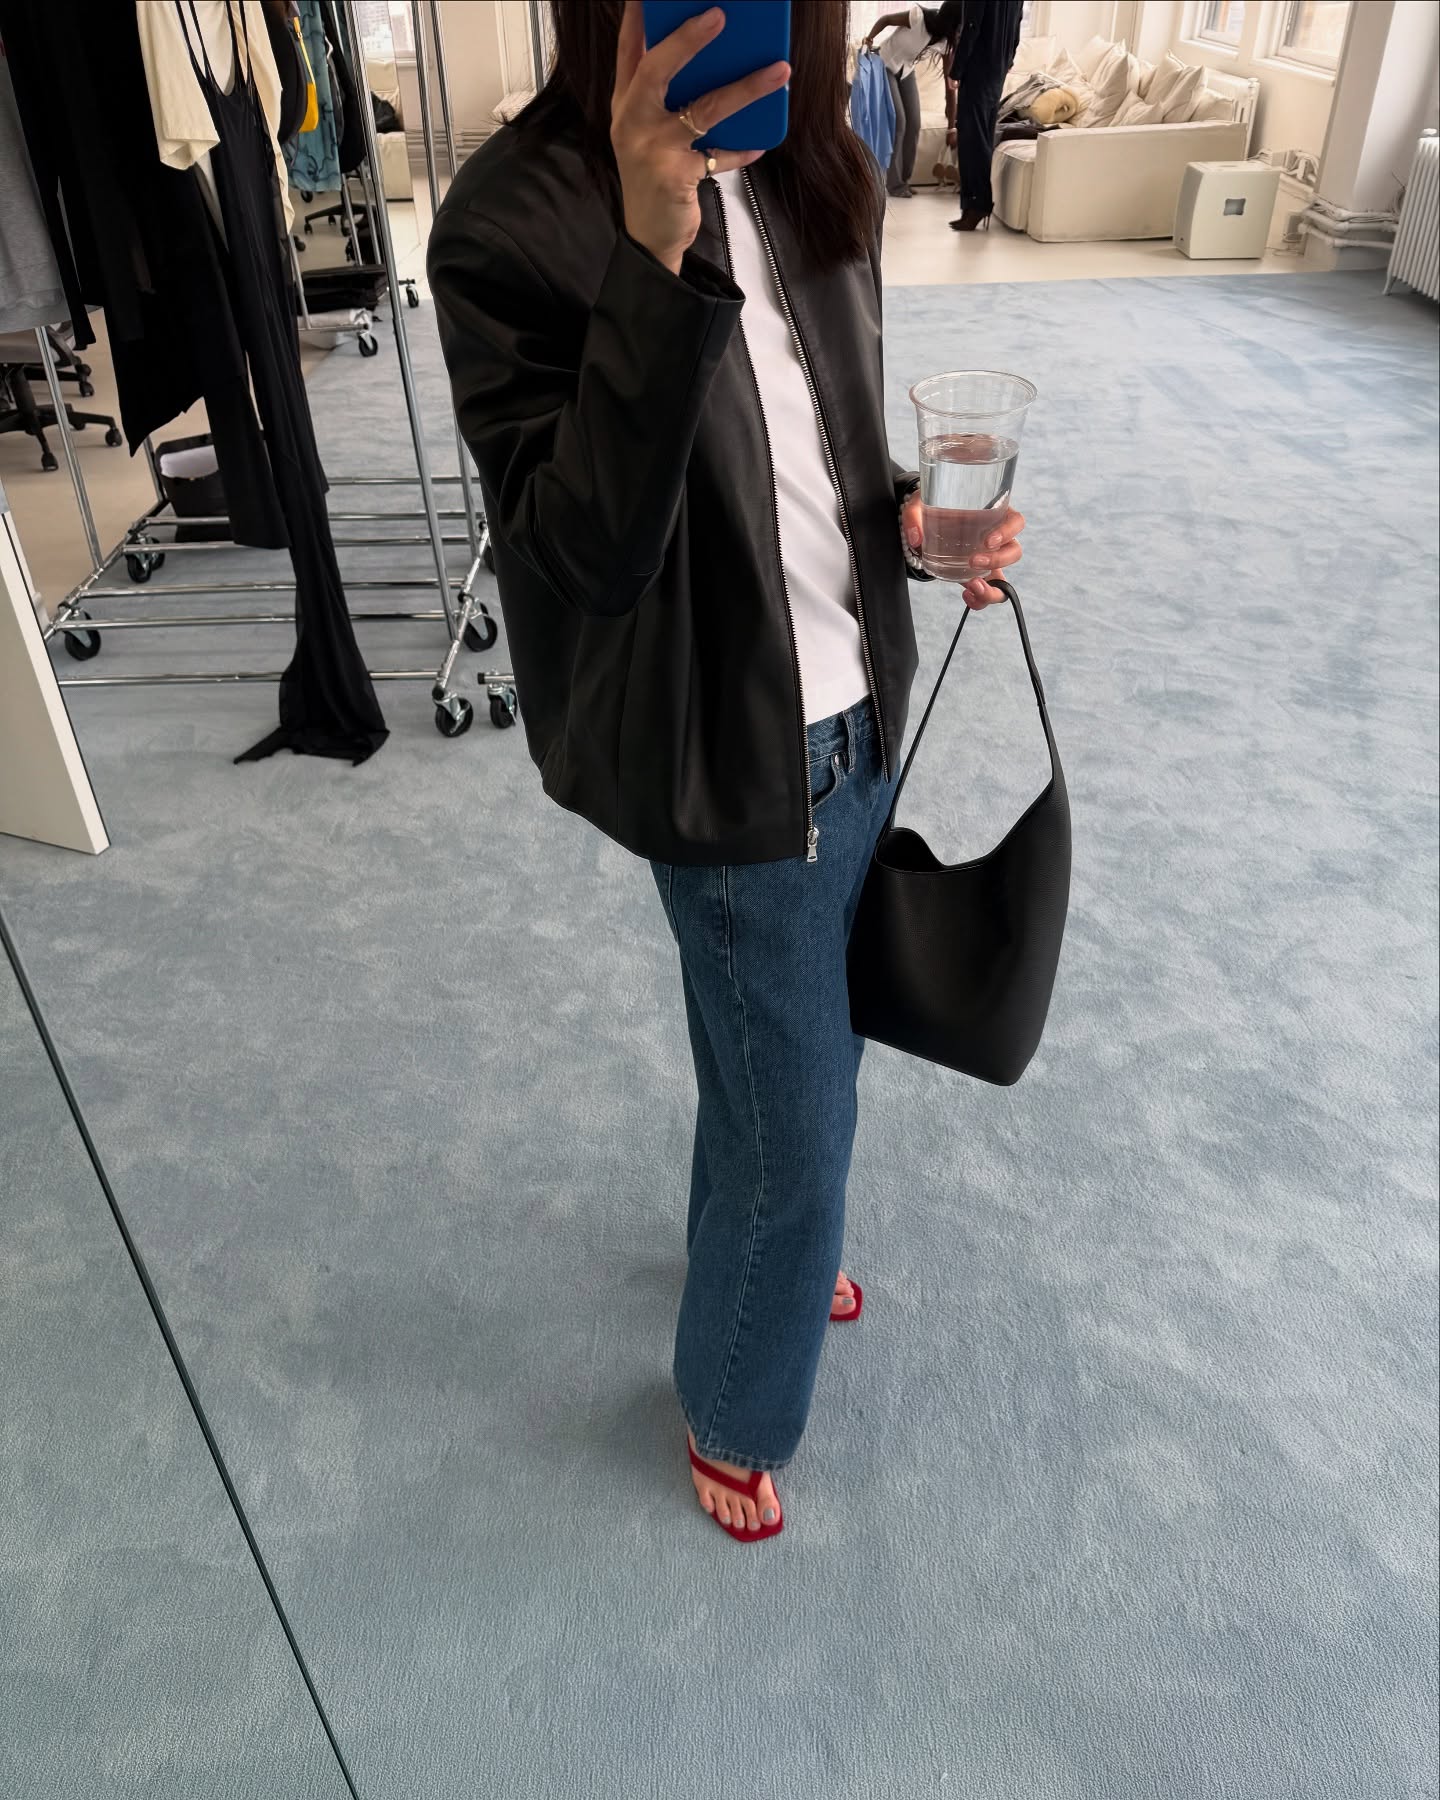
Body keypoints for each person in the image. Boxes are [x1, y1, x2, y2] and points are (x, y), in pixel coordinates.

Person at [428, 0, 1025, 1543]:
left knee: (783, 1049)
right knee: (798, 1112)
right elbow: (578, 555)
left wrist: (910, 522)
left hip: (861, 703)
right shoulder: (511, 218)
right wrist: (648, 247)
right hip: (723, 740)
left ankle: (766, 1210)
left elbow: (816, 449)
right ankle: (733, 1400)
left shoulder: (822, 157)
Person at [862, 2, 962, 198]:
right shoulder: (917, 18)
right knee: (899, 121)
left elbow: (949, 86)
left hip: (906, 70)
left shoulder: (944, 42)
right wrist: (870, 39)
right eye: (959, 26)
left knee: (914, 123)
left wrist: (952, 127)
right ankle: (894, 185)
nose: (961, 31)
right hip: (884, 64)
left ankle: (904, 181)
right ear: (951, 21)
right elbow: (886, 20)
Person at [944, 0, 1025, 230]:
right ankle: (974, 205)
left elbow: (972, 25)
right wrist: (1009, 58)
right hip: (997, 66)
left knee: (972, 139)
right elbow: (1016, 25)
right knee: (982, 136)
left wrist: (956, 69)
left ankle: (977, 205)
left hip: (978, 66)